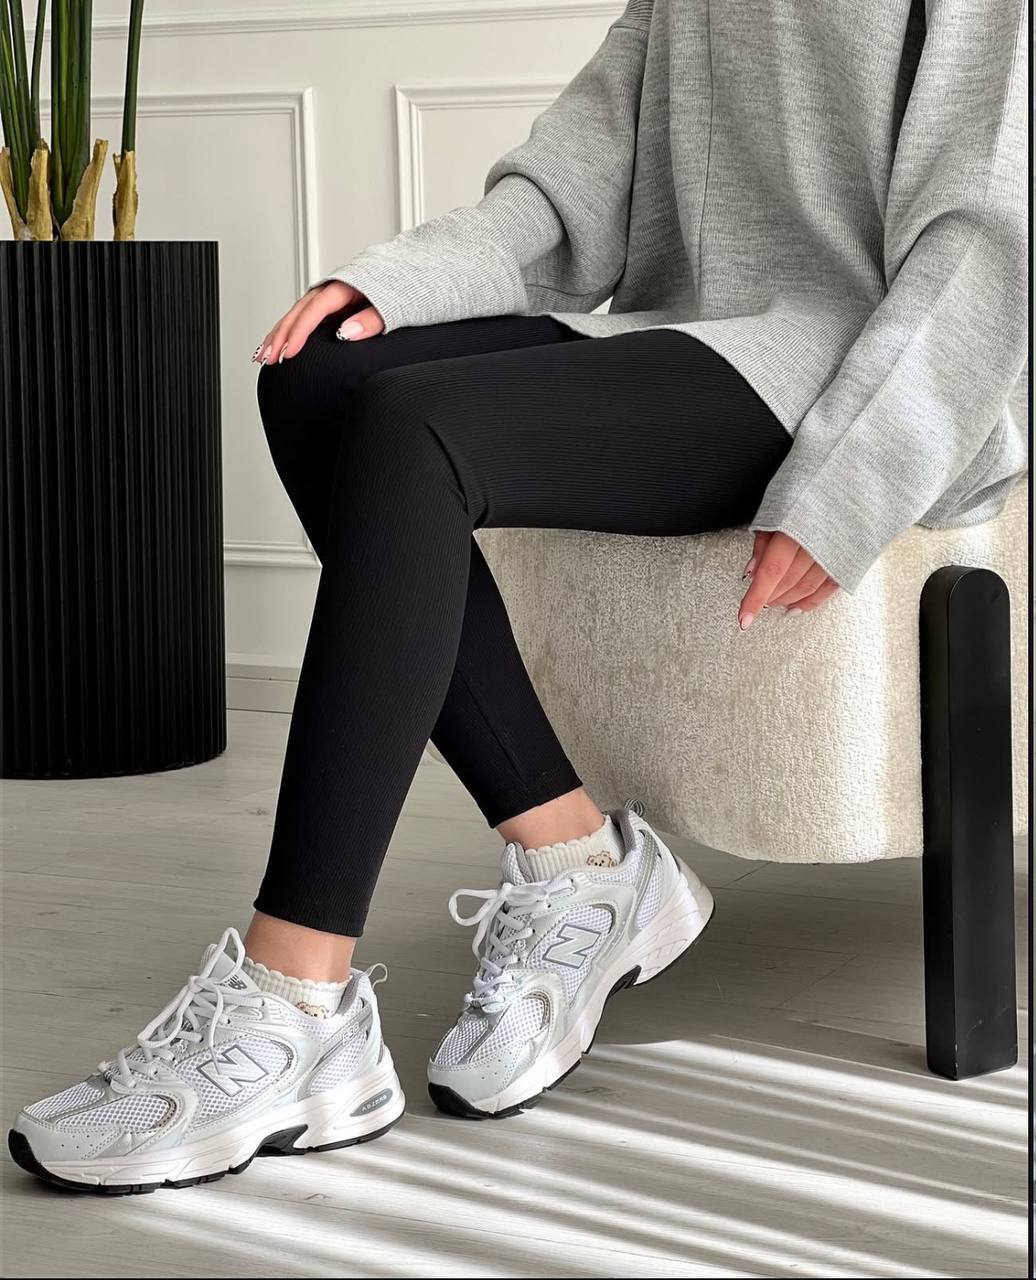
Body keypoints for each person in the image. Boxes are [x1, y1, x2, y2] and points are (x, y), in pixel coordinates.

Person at [10, 0, 1026, 1194]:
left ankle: (293, 1004)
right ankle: (575, 859)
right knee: (318, 377)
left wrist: (851, 481)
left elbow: (987, 238)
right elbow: (579, 171)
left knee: (415, 431)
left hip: (860, 355)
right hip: (708, 328)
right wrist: (398, 280)